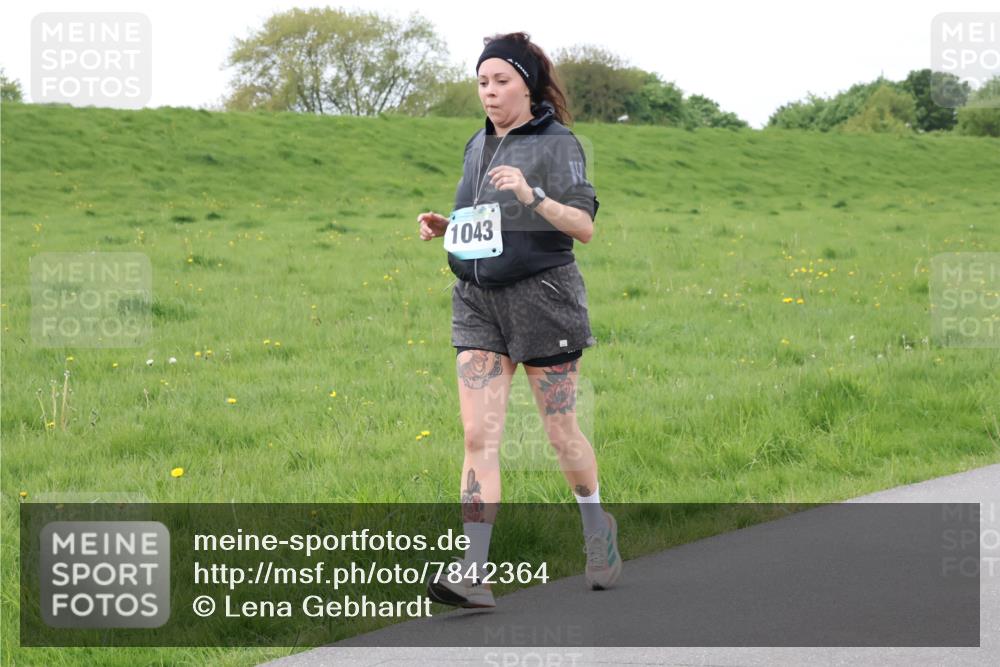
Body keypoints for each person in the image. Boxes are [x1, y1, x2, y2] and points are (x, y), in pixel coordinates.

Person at [417, 32, 621, 610]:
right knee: (478, 435)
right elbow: (483, 217)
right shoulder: (475, 146)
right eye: (482, 82)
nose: (489, 92)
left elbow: (582, 226)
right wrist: (447, 225)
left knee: (560, 434)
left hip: (543, 297)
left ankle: (596, 528)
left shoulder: (558, 145)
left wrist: (533, 196)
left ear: (527, 85)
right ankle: (473, 572)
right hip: (478, 301)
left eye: (501, 80)